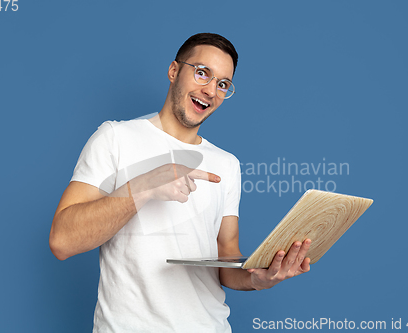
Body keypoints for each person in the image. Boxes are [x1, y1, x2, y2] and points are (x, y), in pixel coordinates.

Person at [49, 32, 312, 333]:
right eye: (202, 73)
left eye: (222, 84)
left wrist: (258, 278)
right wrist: (146, 185)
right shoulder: (115, 138)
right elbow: (62, 241)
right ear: (174, 71)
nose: (211, 90)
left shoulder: (227, 164)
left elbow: (225, 259)